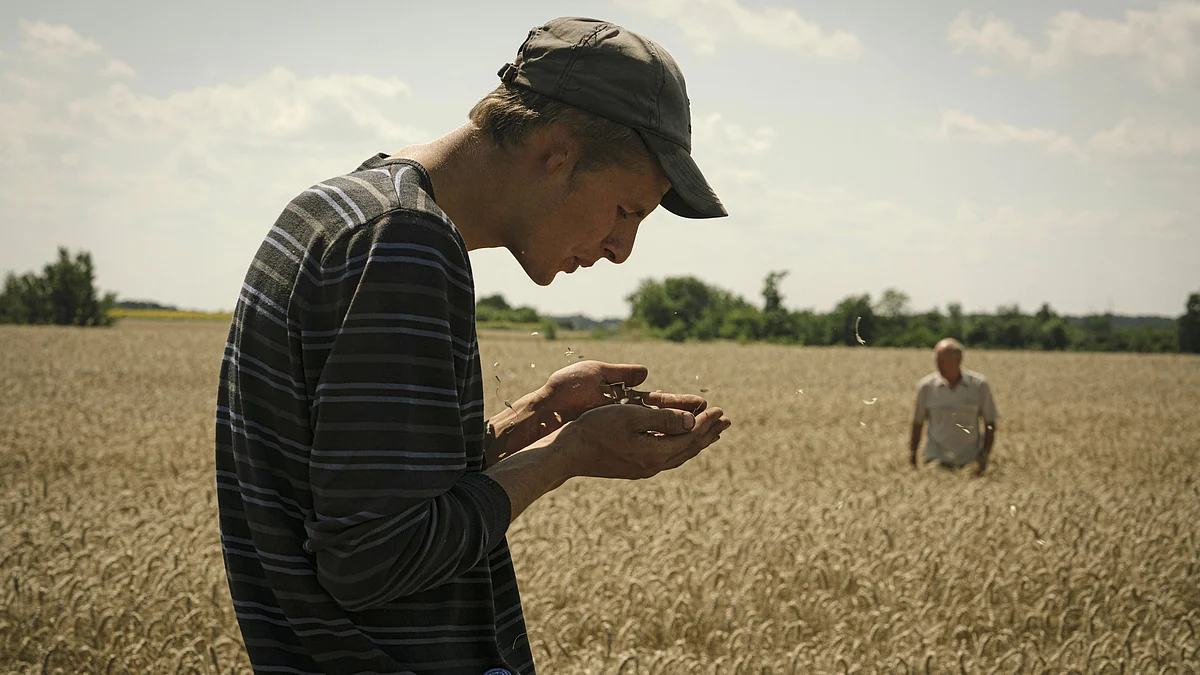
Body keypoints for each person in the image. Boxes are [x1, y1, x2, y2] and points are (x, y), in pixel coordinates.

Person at [214, 16, 733, 675]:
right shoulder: (405, 244)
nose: (621, 249)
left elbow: (361, 489)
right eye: (628, 210)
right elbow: (374, 559)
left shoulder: (341, 208)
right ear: (559, 152)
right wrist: (567, 452)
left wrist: (530, 419)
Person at [908, 338, 999, 476]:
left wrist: (983, 458)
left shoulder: (979, 386)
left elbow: (990, 423)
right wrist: (912, 461)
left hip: (969, 461)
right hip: (935, 460)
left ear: (958, 360)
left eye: (943, 361)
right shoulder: (926, 387)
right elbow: (917, 423)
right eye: (937, 361)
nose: (939, 365)